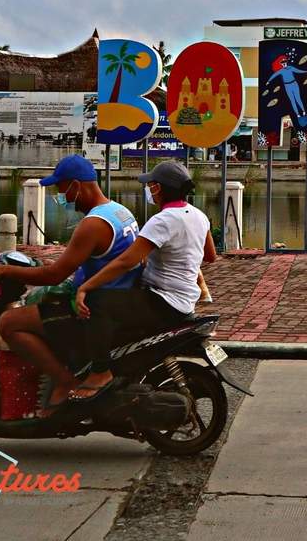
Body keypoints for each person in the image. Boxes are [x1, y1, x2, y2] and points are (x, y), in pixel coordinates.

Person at [0, 154, 142, 415]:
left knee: (9, 323)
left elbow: (53, 275)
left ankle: (65, 381)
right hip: (116, 297)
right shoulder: (119, 212)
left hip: (93, 307)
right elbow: (82, 261)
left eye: (61, 188)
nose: (60, 195)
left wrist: (4, 270)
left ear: (76, 185)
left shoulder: (93, 224)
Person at [70, 160, 215, 401]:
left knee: (97, 303)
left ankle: (100, 371)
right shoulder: (199, 216)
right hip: (184, 300)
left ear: (158, 188)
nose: (148, 189)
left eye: (151, 185)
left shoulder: (163, 220)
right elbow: (210, 256)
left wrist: (86, 286)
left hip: (163, 300)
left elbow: (126, 261)